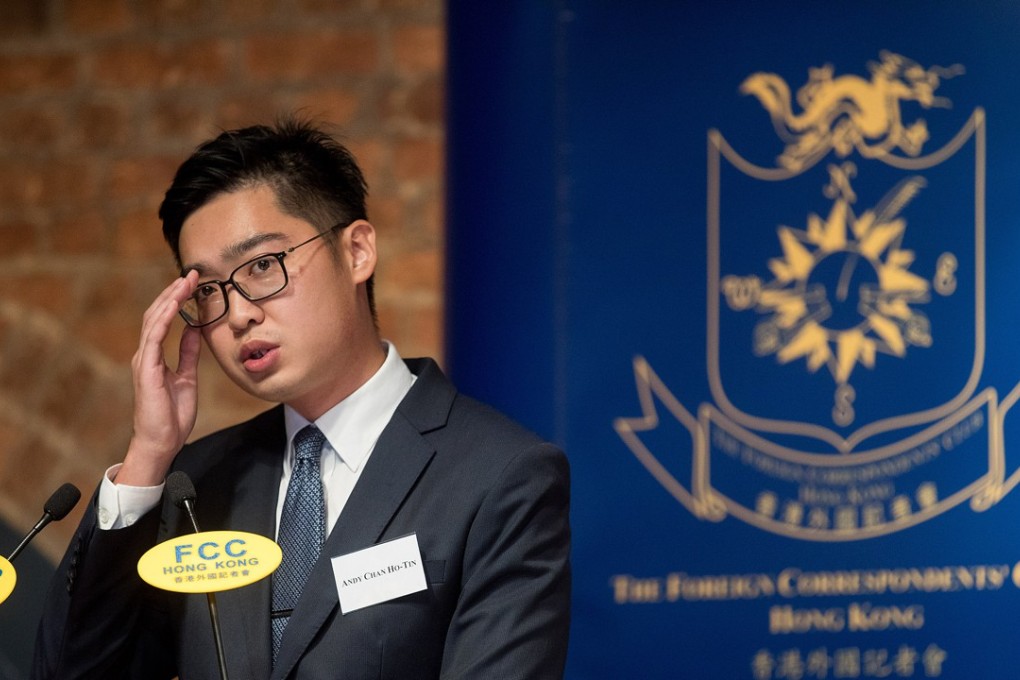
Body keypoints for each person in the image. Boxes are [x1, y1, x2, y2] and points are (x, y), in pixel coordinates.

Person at [32, 119, 571, 679]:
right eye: (209, 290)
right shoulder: (200, 484)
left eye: (263, 266)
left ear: (356, 251)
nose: (239, 314)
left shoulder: (498, 475)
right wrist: (148, 456)